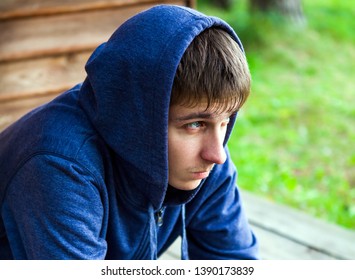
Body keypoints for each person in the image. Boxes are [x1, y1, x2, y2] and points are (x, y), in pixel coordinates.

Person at [0, 5, 258, 260]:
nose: (217, 155)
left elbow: (236, 263)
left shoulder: (205, 161)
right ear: (139, 115)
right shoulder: (59, 164)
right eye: (195, 124)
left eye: (224, 121)